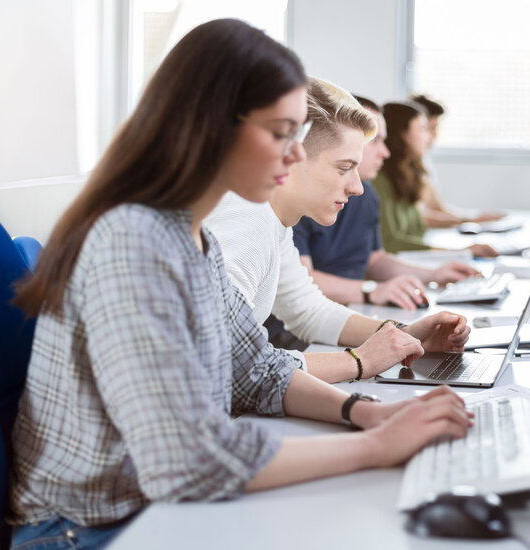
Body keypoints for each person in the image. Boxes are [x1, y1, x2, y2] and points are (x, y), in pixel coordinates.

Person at [8, 20, 471, 549]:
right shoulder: (131, 242)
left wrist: (367, 413)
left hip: (149, 508)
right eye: (281, 134)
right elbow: (186, 461)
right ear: (213, 127)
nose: (295, 155)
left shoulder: (190, 235)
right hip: (90, 529)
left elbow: (256, 371)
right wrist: (376, 447)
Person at [206, 78, 472, 383]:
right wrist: (359, 361)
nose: (357, 187)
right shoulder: (243, 217)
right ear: (293, 157)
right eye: (344, 168)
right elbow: (229, 363)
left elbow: (308, 311)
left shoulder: (274, 220)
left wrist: (406, 336)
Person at [291, 95, 480, 311]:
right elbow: (300, 284)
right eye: (375, 140)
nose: (385, 152)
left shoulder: (366, 193)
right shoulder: (301, 198)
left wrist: (434, 274)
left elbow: (374, 261)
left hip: (344, 311)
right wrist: (371, 290)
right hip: (316, 318)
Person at [372, 101, 498, 256]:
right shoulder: (378, 180)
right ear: (402, 135)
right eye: (423, 130)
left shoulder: (406, 175)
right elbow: (390, 242)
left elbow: (419, 223)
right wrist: (459, 251)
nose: (429, 138)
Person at [410, 93, 505, 228]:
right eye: (430, 128)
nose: (434, 135)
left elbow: (437, 207)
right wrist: (468, 220)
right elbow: (419, 218)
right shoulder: (398, 168)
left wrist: (473, 217)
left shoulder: (422, 163)